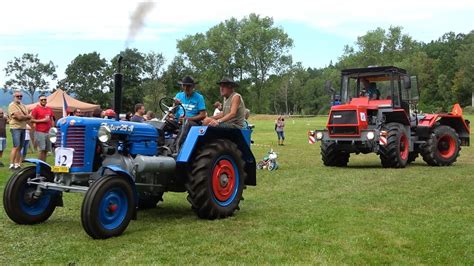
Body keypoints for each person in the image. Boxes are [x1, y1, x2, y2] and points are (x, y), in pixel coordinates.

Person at [173, 76, 206, 149]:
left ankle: (175, 148)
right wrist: (175, 104)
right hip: (178, 121)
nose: (186, 88)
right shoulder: (179, 95)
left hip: (192, 123)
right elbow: (173, 111)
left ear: (193, 86)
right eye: (184, 85)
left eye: (188, 86)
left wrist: (188, 119)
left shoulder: (199, 97)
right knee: (164, 122)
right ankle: (159, 146)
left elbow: (203, 115)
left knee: (187, 123)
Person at [8, 90, 31, 170]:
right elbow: (20, 117)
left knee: (20, 147)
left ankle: (17, 164)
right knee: (16, 146)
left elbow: (28, 117)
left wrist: (23, 116)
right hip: (15, 128)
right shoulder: (12, 105)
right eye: (18, 96)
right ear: (14, 97)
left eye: (21, 96)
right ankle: (11, 164)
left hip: (23, 127)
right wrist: (24, 116)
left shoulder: (23, 106)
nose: (19, 97)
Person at [31, 94, 55, 162]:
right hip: (40, 131)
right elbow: (31, 120)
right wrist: (42, 120)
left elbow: (52, 119)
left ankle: (43, 164)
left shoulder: (49, 109)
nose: (44, 101)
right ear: (39, 101)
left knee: (46, 150)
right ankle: (39, 165)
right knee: (41, 149)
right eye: (42, 100)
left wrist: (53, 129)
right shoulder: (36, 109)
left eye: (45, 99)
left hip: (49, 132)